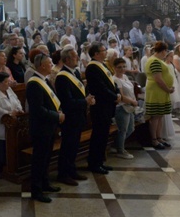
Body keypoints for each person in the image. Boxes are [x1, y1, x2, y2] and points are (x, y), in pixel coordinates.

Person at [26, 53, 64, 203]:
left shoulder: (45, 81)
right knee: (39, 159)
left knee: (46, 157)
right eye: (49, 63)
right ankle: (36, 190)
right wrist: (56, 116)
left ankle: (45, 183)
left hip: (49, 127)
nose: (52, 65)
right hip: (40, 128)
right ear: (42, 66)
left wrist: (58, 112)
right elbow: (37, 110)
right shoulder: (34, 83)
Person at [54, 46, 92, 186]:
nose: (78, 59)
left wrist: (87, 98)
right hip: (70, 117)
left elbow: (79, 93)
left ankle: (72, 170)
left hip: (78, 115)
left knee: (74, 145)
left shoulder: (75, 72)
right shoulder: (62, 77)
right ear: (67, 59)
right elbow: (67, 102)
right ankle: (63, 174)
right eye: (75, 56)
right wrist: (85, 101)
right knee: (67, 146)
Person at [86, 42, 120, 174]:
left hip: (107, 105)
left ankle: (100, 161)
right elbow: (100, 88)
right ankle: (94, 163)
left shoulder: (102, 65)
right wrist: (114, 96)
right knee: (98, 135)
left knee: (104, 134)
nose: (106, 52)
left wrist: (116, 92)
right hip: (100, 106)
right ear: (96, 54)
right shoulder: (92, 67)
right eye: (103, 50)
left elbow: (111, 81)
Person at [145, 41, 175, 150]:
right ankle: (154, 140)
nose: (166, 53)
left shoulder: (157, 60)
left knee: (160, 115)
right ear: (162, 51)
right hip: (156, 91)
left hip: (161, 92)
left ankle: (159, 137)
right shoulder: (154, 61)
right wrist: (167, 89)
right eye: (166, 51)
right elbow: (158, 79)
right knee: (155, 116)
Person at [111, 58, 138, 158]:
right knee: (123, 130)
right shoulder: (115, 80)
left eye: (124, 66)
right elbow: (121, 96)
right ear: (114, 68)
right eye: (119, 67)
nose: (122, 69)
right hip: (122, 107)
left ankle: (115, 145)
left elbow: (130, 90)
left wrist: (133, 101)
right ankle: (121, 151)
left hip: (130, 106)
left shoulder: (125, 76)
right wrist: (132, 101)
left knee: (131, 128)